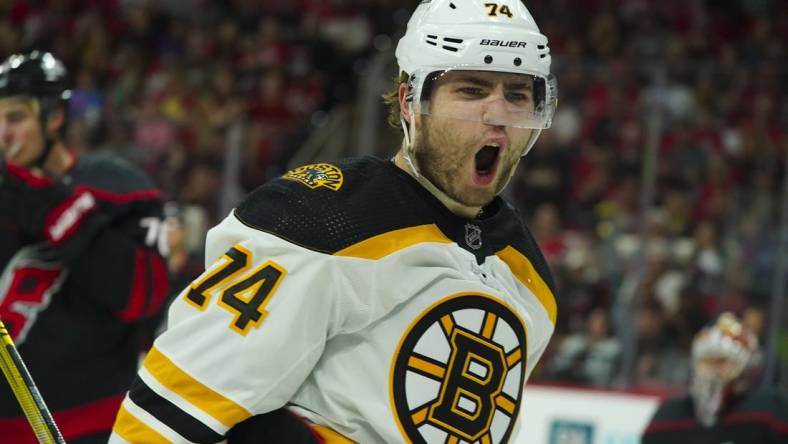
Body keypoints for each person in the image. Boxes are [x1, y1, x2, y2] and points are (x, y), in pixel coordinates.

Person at [110, 1, 559, 442]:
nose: (498, 116)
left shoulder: (531, 279)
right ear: (409, 101)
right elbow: (169, 415)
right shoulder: (318, 223)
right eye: (472, 90)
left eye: (517, 96)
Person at [0, 51, 170, 443]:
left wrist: (59, 211)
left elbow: (145, 298)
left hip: (91, 426)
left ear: (54, 118)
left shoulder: (117, 184)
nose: (5, 134)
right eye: (0, 120)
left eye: (17, 118)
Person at [641, 312, 788, 444]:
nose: (713, 370)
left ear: (747, 367)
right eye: (707, 360)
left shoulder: (769, 411)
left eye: (722, 361)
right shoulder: (667, 418)